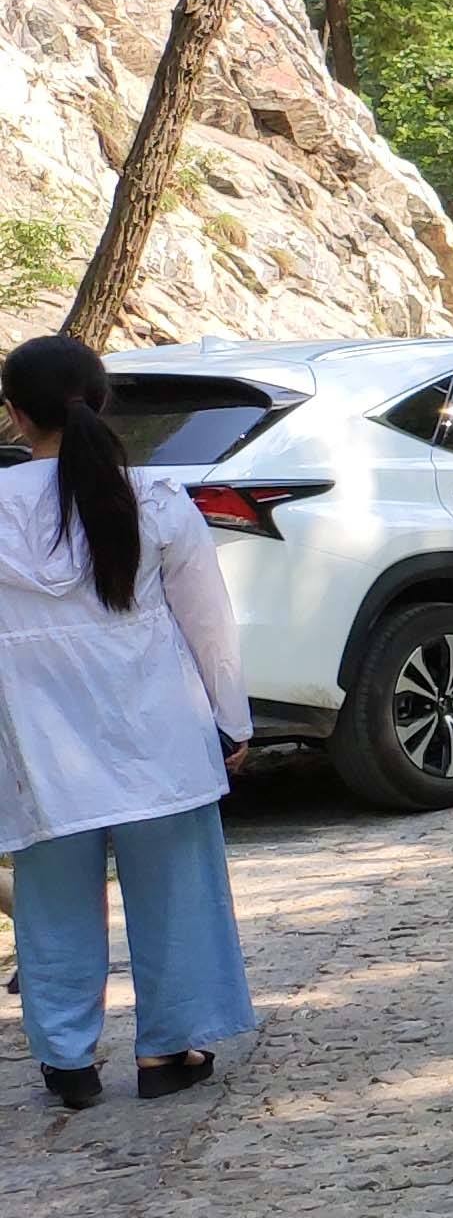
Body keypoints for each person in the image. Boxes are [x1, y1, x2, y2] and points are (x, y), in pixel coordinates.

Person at [0, 335, 256, 1109]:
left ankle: (67, 1061)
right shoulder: (155, 499)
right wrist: (232, 720)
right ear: (103, 402)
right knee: (177, 891)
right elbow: (209, 625)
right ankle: (166, 1051)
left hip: (35, 742)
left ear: (13, 416)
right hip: (160, 728)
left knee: (50, 903)